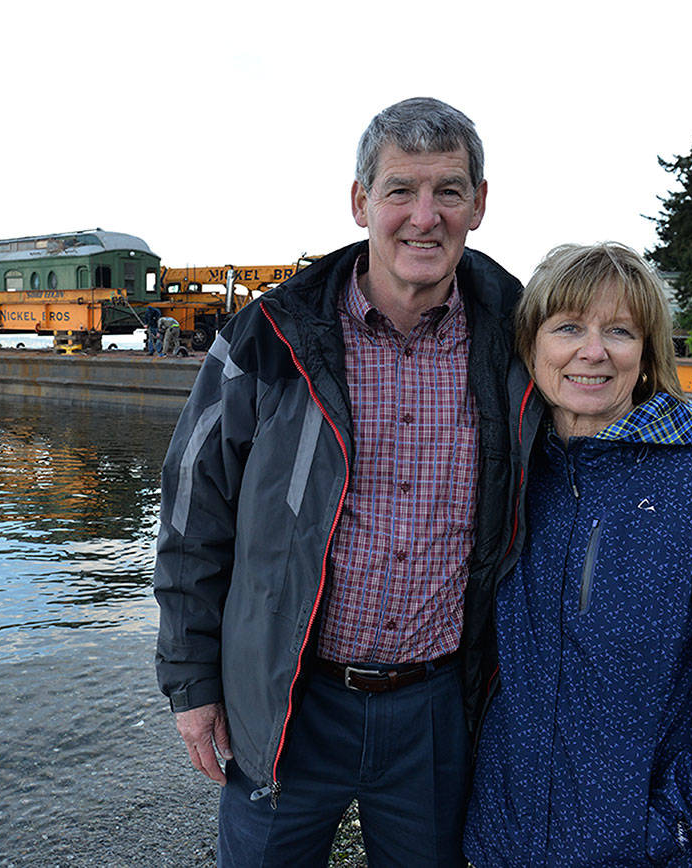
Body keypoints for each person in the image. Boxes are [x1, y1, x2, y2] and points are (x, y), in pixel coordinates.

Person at [154, 97, 523, 865]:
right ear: (361, 203)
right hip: (290, 701)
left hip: (438, 709)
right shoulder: (269, 335)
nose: (424, 217)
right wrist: (192, 685)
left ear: (479, 205)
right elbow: (193, 518)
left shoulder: (520, 339)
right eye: (400, 190)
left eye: (449, 191)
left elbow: (602, 476)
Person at [464, 243, 692, 865]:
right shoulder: (507, 478)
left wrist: (679, 819)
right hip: (507, 840)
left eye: (619, 331)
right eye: (568, 326)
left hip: (651, 849)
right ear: (531, 345)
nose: (592, 351)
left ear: (648, 353)